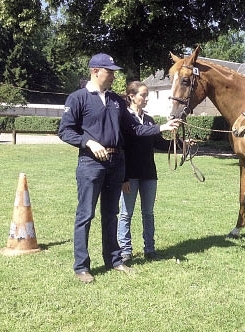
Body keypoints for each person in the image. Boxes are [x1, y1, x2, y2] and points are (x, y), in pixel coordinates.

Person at [58, 53, 181, 283]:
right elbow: (65, 131)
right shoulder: (78, 98)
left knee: (111, 214)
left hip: (116, 163)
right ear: (96, 71)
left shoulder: (116, 100)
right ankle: (82, 267)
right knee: (85, 215)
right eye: (110, 71)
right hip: (90, 163)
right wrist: (89, 142)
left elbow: (135, 130)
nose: (114, 76)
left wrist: (163, 127)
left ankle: (114, 260)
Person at [117, 81, 175, 263]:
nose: (146, 98)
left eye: (147, 94)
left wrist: (180, 143)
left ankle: (150, 249)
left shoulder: (148, 119)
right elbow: (137, 132)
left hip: (149, 174)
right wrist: (123, 177)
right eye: (143, 94)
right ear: (132, 96)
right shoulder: (124, 118)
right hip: (130, 174)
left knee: (148, 213)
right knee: (126, 213)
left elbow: (157, 142)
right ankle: (125, 251)